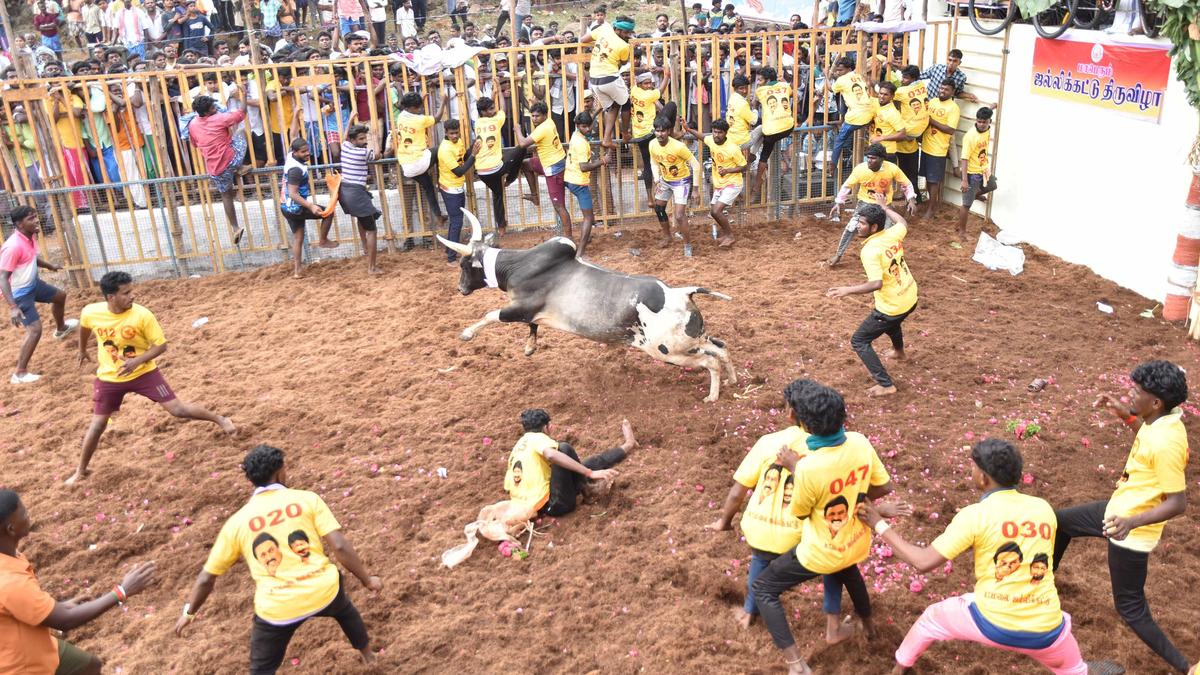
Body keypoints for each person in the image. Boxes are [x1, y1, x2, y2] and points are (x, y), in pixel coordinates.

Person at [860, 439, 1124, 675]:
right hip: (1047, 629)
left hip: (992, 622)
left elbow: (923, 561)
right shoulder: (1043, 509)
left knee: (932, 617)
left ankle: (898, 671)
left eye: (973, 467)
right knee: (1073, 668)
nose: (971, 471)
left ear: (983, 478)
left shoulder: (975, 515)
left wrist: (879, 524)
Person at [707, 379, 909, 638]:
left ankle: (751, 612)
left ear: (791, 413)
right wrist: (870, 505)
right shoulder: (842, 445)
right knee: (839, 566)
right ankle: (843, 625)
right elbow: (858, 488)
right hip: (818, 535)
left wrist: (723, 523)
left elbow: (740, 493)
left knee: (763, 562)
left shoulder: (773, 443)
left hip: (773, 530)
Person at [174, 445, 383, 674]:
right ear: (279, 473)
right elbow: (340, 546)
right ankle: (369, 656)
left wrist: (189, 613)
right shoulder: (306, 499)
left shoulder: (237, 522)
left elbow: (206, 579)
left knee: (261, 668)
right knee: (345, 610)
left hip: (277, 608)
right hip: (323, 590)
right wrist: (367, 579)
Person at [1053, 360, 1191, 674]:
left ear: (1155, 402)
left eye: (1137, 391)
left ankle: (1187, 668)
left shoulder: (1166, 441)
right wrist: (1125, 413)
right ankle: (1045, 580)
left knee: (1131, 608)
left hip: (1130, 529)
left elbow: (1178, 503)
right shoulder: (1164, 420)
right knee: (1059, 522)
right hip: (1118, 511)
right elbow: (1146, 434)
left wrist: (1131, 523)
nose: (1130, 391)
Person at [750, 381, 897, 675]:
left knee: (763, 589)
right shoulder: (859, 441)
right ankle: (868, 627)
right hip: (855, 540)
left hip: (820, 552)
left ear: (800, 421)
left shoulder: (809, 467)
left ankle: (796, 665)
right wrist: (854, 499)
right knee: (849, 570)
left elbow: (801, 513)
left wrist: (794, 467)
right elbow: (883, 486)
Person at [68, 271, 236, 484]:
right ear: (110, 297)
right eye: (126, 293)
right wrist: (82, 350)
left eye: (131, 291)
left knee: (178, 410)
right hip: (110, 378)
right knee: (98, 424)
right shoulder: (91, 312)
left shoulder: (142, 315)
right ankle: (80, 471)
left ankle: (220, 419)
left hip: (144, 372)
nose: (132, 296)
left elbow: (161, 346)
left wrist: (138, 361)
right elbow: (84, 326)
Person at [0, 489, 158, 675]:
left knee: (90, 666)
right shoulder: (10, 582)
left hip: (39, 645)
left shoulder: (9, 556)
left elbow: (20, 605)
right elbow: (66, 621)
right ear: (11, 529)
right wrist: (122, 591)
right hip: (25, 665)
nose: (29, 516)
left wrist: (58, 606)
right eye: (24, 513)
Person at [827, 193, 917, 397]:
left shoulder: (869, 250)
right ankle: (899, 352)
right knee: (893, 322)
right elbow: (902, 221)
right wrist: (884, 207)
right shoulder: (893, 234)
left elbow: (876, 283)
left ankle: (886, 384)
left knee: (859, 341)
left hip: (892, 305)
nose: (858, 226)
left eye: (863, 224)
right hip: (910, 295)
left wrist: (846, 290)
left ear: (874, 228)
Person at [504, 409, 635, 517]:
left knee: (581, 464)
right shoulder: (537, 438)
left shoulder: (518, 446)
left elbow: (509, 485)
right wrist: (589, 473)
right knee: (564, 449)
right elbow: (551, 454)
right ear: (546, 428)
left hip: (527, 506)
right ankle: (588, 491)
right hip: (552, 506)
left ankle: (628, 444)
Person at [1, 206, 79, 385]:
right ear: (19, 224)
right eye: (31, 219)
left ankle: (61, 329)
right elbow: (3, 278)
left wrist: (49, 266)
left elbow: (31, 257)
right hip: (19, 293)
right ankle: (19, 373)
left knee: (60, 296)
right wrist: (13, 307)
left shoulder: (30, 236)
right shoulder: (12, 246)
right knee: (35, 330)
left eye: (35, 217)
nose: (36, 221)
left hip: (32, 284)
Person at [828, 143, 916, 266]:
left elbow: (906, 184)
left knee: (887, 233)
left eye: (873, 158)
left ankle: (889, 258)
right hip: (864, 204)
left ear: (882, 159)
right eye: (868, 157)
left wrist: (911, 198)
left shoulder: (892, 169)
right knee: (851, 227)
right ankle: (838, 254)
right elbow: (847, 186)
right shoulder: (860, 169)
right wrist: (838, 202)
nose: (869, 161)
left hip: (884, 205)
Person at [187, 94, 249, 245]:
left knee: (226, 196)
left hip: (215, 169)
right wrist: (244, 97)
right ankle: (239, 166)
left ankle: (235, 227)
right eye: (213, 107)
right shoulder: (219, 118)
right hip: (231, 160)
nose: (216, 108)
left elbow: (194, 144)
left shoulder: (193, 124)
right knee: (241, 133)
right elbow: (241, 114)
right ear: (207, 112)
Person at [280, 138, 336, 278]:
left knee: (298, 237)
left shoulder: (290, 156)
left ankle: (297, 271)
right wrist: (311, 206)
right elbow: (293, 194)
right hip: (295, 208)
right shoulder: (295, 170)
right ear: (295, 152)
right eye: (303, 152)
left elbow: (292, 135)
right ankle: (323, 240)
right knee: (327, 213)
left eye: (308, 150)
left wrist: (296, 116)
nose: (307, 154)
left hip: (285, 207)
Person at [473, 96, 527, 240]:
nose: (494, 110)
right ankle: (511, 178)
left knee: (497, 194)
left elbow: (496, 109)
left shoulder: (477, 123)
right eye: (491, 109)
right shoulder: (496, 121)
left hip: (481, 172)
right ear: (483, 112)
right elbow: (503, 108)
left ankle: (501, 226)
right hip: (496, 168)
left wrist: (495, 90)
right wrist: (499, 91)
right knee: (521, 148)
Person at [394, 91, 448, 232]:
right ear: (412, 108)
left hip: (406, 165)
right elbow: (436, 118)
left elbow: (412, 110)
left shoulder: (400, 116)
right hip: (418, 162)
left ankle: (439, 217)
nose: (420, 109)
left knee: (429, 188)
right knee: (440, 149)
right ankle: (448, 173)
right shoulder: (420, 120)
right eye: (419, 107)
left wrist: (421, 99)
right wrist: (443, 102)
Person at [649, 114, 702, 257]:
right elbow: (654, 162)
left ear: (669, 131)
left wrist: (695, 189)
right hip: (665, 180)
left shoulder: (679, 147)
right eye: (657, 131)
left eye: (663, 131)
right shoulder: (652, 144)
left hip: (681, 182)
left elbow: (696, 165)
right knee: (659, 207)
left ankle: (687, 244)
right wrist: (657, 180)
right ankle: (667, 236)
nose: (660, 134)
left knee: (679, 215)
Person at [517, 102, 572, 239]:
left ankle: (569, 239)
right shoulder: (549, 122)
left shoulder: (542, 129)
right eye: (533, 116)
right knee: (526, 165)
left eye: (537, 116)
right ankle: (535, 196)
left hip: (553, 168)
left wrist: (517, 129)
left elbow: (523, 143)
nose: (534, 119)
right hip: (548, 161)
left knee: (559, 206)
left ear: (544, 115)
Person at [580, 15, 634, 150]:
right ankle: (626, 134)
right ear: (618, 30)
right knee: (626, 103)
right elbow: (623, 63)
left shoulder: (604, 29)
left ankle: (606, 139)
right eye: (626, 33)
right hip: (610, 78)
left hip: (595, 80)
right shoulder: (624, 45)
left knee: (613, 106)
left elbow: (583, 40)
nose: (628, 36)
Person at [337, 124, 383, 275]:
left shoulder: (345, 147)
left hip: (345, 192)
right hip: (356, 193)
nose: (365, 141)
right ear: (353, 140)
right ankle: (372, 267)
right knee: (372, 230)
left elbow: (344, 137)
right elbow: (377, 155)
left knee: (362, 220)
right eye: (361, 138)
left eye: (366, 138)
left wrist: (350, 120)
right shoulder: (362, 153)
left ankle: (365, 248)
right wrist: (376, 139)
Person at [565, 111, 608, 257]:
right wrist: (602, 161)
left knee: (589, 216)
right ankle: (580, 252)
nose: (588, 129)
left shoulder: (575, 134)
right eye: (584, 127)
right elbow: (584, 167)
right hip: (579, 183)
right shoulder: (582, 143)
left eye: (589, 126)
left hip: (570, 178)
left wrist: (596, 111)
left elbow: (586, 120)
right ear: (578, 125)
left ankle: (586, 236)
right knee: (588, 218)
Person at [436, 119, 479, 263]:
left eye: (456, 133)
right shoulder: (445, 150)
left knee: (456, 221)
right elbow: (459, 171)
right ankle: (451, 258)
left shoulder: (458, 141)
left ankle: (449, 250)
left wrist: (473, 148)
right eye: (451, 134)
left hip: (457, 187)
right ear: (446, 133)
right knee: (456, 222)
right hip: (450, 188)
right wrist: (473, 155)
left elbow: (463, 158)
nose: (454, 136)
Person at [751, 66, 796, 198]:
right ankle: (754, 158)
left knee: (764, 152)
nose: (758, 82)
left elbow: (754, 104)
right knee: (764, 138)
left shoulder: (760, 90)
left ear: (767, 79)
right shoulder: (785, 85)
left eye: (760, 80)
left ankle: (757, 181)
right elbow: (791, 93)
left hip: (771, 130)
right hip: (788, 127)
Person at [956, 105, 997, 246]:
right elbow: (965, 159)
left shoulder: (987, 129)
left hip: (983, 169)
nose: (981, 124)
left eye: (984, 122)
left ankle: (975, 194)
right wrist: (964, 181)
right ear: (976, 120)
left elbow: (989, 109)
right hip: (972, 173)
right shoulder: (970, 136)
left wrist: (993, 106)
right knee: (966, 205)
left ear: (989, 122)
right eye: (979, 121)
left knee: (993, 185)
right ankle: (961, 231)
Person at [826, 58, 875, 175]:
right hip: (869, 113)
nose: (838, 73)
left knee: (839, 140)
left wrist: (826, 76)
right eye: (837, 70)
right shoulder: (858, 76)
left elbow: (830, 88)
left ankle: (832, 166)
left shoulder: (842, 80)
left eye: (840, 70)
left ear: (848, 69)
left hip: (856, 116)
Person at [920, 81, 960, 219]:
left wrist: (932, 121)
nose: (943, 91)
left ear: (952, 92)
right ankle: (930, 204)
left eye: (947, 89)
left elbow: (950, 129)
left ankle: (932, 209)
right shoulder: (932, 102)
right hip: (926, 145)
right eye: (942, 88)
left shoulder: (953, 108)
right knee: (928, 179)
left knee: (934, 180)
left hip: (938, 149)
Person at [704, 119, 746, 248]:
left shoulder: (733, 148)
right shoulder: (711, 140)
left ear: (725, 133)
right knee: (713, 211)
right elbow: (701, 136)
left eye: (719, 133)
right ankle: (726, 234)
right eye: (714, 132)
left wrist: (727, 170)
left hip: (733, 183)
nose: (716, 135)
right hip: (720, 183)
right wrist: (688, 129)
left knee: (716, 211)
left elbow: (744, 167)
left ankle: (730, 236)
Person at [893, 65, 928, 189]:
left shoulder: (902, 92)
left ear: (913, 78)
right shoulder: (922, 85)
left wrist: (874, 84)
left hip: (908, 131)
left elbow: (884, 92)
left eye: (905, 78)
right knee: (911, 173)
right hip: (921, 129)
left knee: (884, 139)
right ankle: (915, 197)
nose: (903, 80)